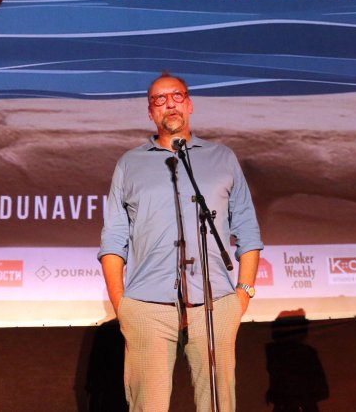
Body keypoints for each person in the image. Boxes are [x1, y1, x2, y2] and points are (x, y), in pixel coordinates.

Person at [98, 72, 264, 412]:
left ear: (189, 104)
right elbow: (113, 238)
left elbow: (247, 229)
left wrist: (243, 294)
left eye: (176, 96)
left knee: (218, 405)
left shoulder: (222, 158)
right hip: (146, 306)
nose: (169, 104)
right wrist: (121, 303)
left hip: (215, 303)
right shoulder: (129, 164)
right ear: (150, 112)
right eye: (159, 99)